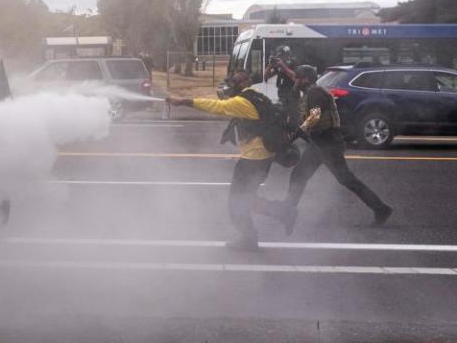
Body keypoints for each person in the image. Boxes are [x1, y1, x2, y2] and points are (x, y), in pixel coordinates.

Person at [167, 70, 291, 251]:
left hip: (253, 160)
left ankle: (252, 238)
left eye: (232, 83)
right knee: (246, 198)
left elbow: (215, 106)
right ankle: (280, 213)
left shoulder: (242, 102)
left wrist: (185, 101)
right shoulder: (256, 95)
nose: (229, 86)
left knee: (236, 204)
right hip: (262, 157)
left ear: (241, 84)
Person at [278, 66, 392, 234]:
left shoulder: (314, 93)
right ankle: (287, 211)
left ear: (306, 79)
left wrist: (298, 132)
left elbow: (315, 116)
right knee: (299, 175)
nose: (295, 81)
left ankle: (381, 209)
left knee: (347, 180)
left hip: (328, 144)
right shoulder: (311, 91)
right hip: (319, 143)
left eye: (298, 78)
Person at [264, 45, 300, 127]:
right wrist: (269, 66)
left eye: (281, 55)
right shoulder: (279, 64)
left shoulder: (293, 63)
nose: (279, 57)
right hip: (282, 94)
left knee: (293, 117)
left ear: (287, 55)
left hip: (292, 95)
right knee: (281, 116)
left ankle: (295, 133)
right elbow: (266, 77)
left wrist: (283, 66)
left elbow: (295, 77)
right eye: (278, 55)